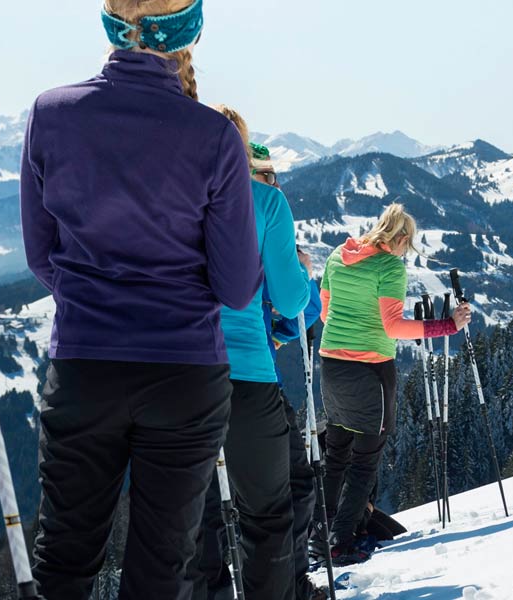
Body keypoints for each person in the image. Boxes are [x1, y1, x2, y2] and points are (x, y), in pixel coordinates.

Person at [20, 0, 262, 598]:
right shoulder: (215, 137)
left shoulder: (51, 116)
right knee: (162, 571)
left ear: (109, 23)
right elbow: (235, 289)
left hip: (84, 366)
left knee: (64, 562)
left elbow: (39, 255)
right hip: (184, 373)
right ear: (190, 32)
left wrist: (93, 299)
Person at [182, 112, 317, 600]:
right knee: (267, 516)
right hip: (248, 376)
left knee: (194, 522)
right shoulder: (267, 203)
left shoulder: (169, 194)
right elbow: (291, 301)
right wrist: (303, 275)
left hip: (177, 375)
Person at [317, 204, 472, 566]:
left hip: (330, 365)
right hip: (370, 370)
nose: (407, 250)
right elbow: (392, 327)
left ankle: (318, 535)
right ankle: (340, 542)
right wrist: (448, 325)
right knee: (364, 460)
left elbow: (326, 313)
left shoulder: (339, 255)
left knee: (335, 454)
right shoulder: (389, 266)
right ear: (401, 239)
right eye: (409, 244)